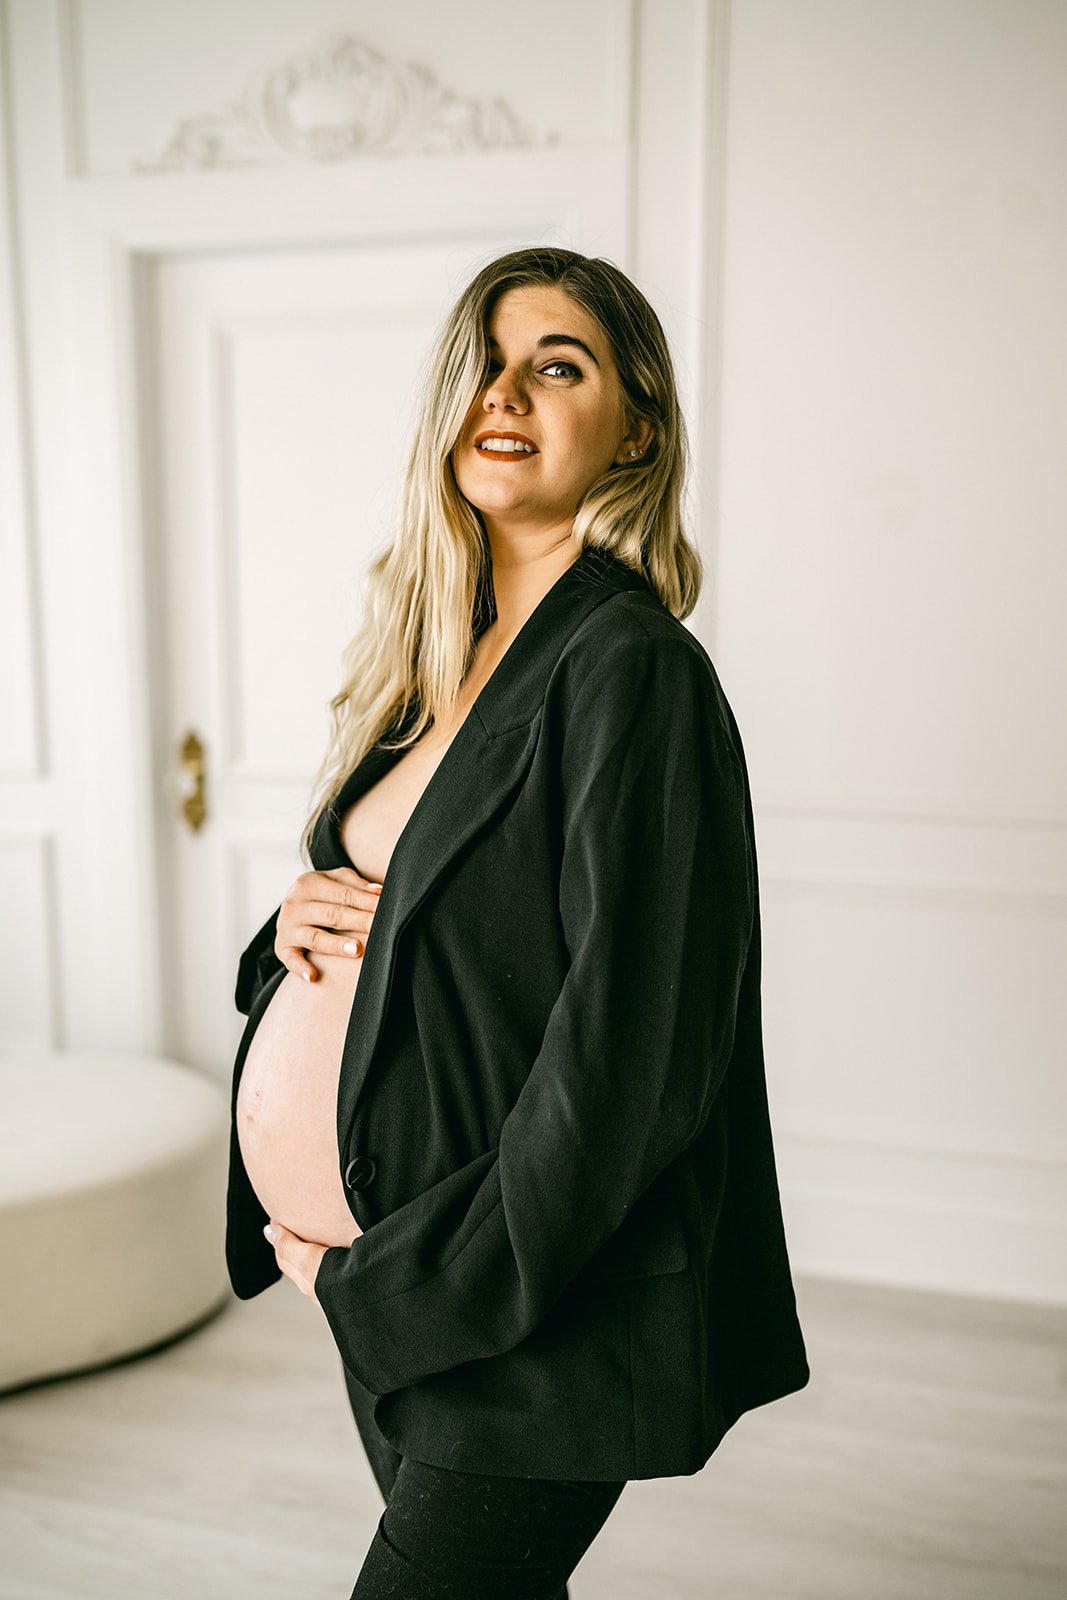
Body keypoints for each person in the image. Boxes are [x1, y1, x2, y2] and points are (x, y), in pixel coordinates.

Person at [226, 245, 810, 1599]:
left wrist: (412, 1285)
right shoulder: (438, 654)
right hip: (397, 1281)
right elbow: (431, 929)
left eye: (558, 364)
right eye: (482, 363)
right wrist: (287, 932)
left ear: (636, 425)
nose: (506, 390)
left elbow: (631, 1068)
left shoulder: (631, 674)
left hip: (519, 1300)